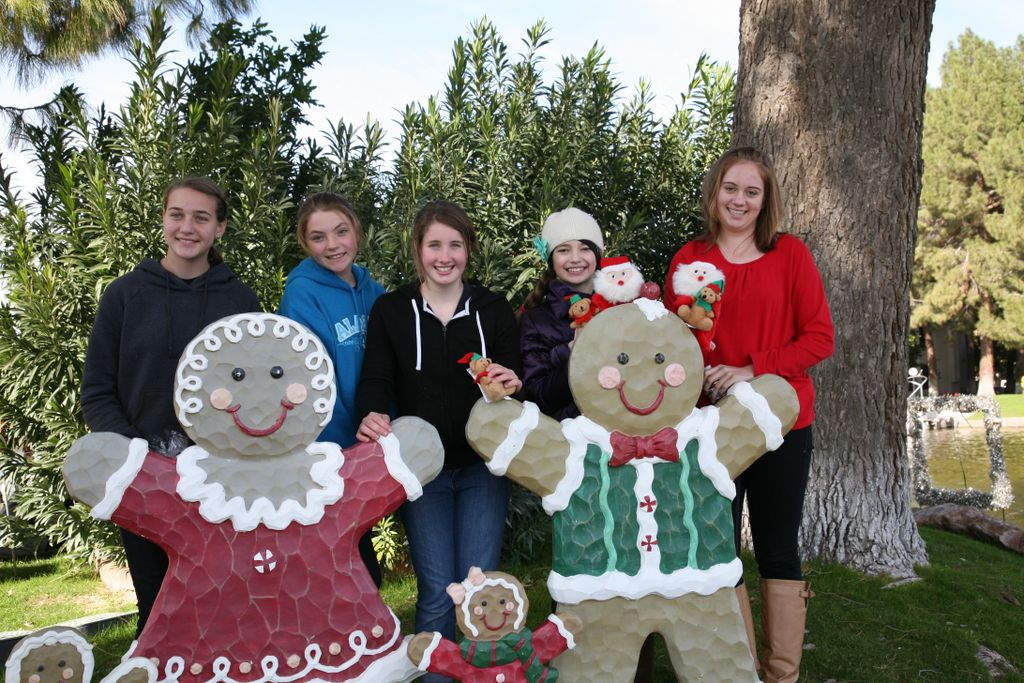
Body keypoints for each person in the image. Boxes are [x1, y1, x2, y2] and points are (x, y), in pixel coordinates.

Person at [663, 147, 834, 683]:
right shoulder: (690, 257)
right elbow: (673, 343)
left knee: (778, 549)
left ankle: (781, 674)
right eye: (731, 189)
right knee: (719, 550)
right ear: (715, 193)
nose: (739, 200)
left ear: (765, 200)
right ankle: (740, 673)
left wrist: (751, 369)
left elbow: (820, 338)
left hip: (782, 426)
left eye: (751, 191)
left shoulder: (790, 255)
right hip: (710, 428)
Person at [80, 177, 261, 635]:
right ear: (163, 219)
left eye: (201, 217)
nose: (187, 227)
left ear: (219, 228)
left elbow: (260, 393)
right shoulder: (124, 296)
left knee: (230, 614)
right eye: (177, 214)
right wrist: (133, 460)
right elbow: (98, 390)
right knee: (160, 618)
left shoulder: (240, 301)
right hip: (145, 482)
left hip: (223, 482)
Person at [356, 200, 521, 683]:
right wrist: (371, 411)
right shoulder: (391, 310)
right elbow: (377, 378)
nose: (444, 256)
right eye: (434, 245)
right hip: (422, 472)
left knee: (477, 590)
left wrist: (515, 378)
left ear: (468, 250)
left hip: (482, 471)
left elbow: (516, 374)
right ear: (417, 250)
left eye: (455, 244)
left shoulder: (491, 308)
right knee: (434, 593)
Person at [278, 192, 386, 586]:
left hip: (372, 437)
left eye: (341, 231)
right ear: (305, 243)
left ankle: (370, 632)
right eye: (319, 237)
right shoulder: (302, 292)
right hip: (327, 443)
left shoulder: (375, 293)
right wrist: (343, 439)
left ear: (357, 232)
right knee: (338, 550)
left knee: (358, 539)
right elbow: (305, 376)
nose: (333, 245)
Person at [519, 207, 603, 420]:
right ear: (551, 259)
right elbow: (536, 398)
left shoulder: (621, 307)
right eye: (563, 250)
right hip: (567, 441)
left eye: (584, 248)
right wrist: (571, 353)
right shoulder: (535, 321)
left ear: (598, 253)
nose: (575, 258)